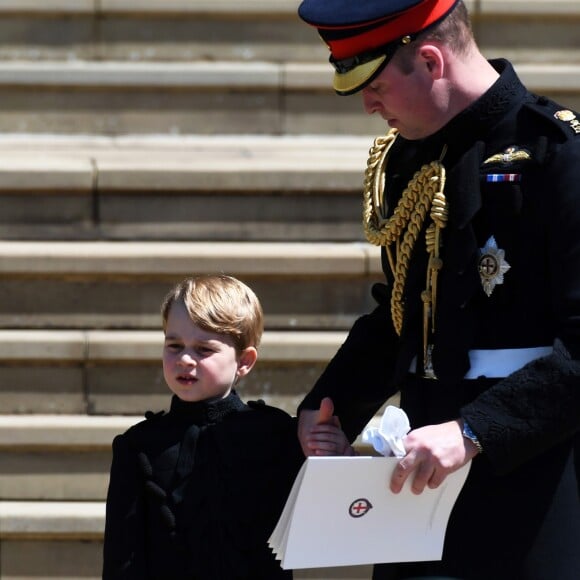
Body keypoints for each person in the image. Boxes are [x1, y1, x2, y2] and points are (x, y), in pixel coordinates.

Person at [296, 1, 580, 579]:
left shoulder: (557, 155)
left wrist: (474, 431)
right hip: (418, 477)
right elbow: (403, 309)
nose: (368, 105)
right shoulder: (409, 159)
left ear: (429, 61)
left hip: (532, 477)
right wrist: (328, 409)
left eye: (374, 85)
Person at [102, 274, 350, 579]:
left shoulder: (277, 435)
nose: (185, 359)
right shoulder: (139, 445)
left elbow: (331, 519)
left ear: (244, 361)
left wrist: (340, 459)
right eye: (174, 345)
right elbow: (122, 558)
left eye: (203, 349)